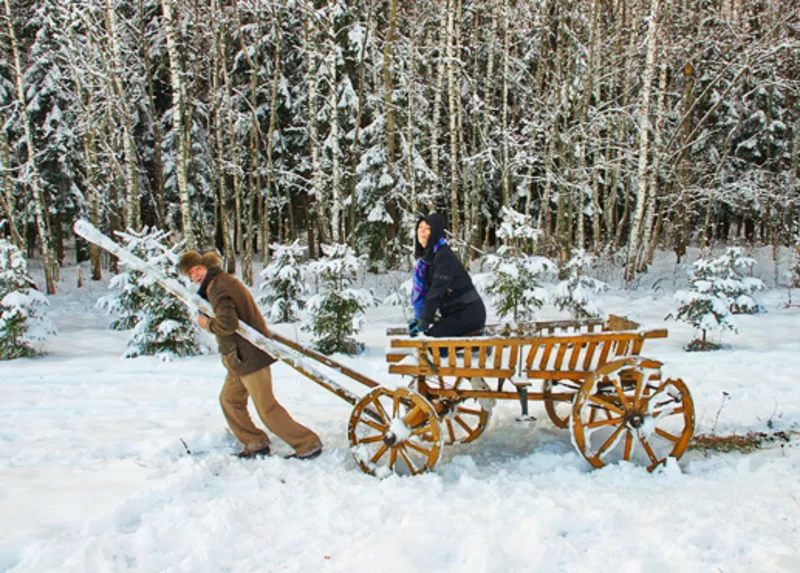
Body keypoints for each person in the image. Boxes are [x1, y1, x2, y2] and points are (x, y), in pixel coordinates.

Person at [178, 250, 322, 460]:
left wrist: (206, 323)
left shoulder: (219, 286)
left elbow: (227, 323)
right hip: (238, 358)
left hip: (248, 356)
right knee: (230, 400)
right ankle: (255, 442)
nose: (194, 276)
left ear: (207, 266)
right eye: (190, 273)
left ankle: (307, 443)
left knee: (267, 408)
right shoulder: (217, 283)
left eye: (197, 269)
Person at [408, 213, 486, 338]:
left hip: (469, 314)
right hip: (453, 314)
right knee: (425, 337)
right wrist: (420, 318)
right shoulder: (427, 260)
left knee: (431, 340)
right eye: (419, 227)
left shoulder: (443, 256)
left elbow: (436, 292)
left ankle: (474, 343)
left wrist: (424, 321)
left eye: (427, 228)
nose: (421, 231)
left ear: (435, 232)